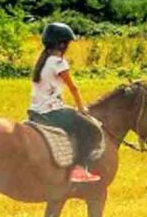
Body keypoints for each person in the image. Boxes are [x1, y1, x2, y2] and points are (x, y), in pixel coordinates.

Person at [29, 22, 103, 183]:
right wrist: (81, 108)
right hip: (51, 112)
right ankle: (79, 168)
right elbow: (73, 87)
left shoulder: (43, 61)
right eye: (68, 43)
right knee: (90, 128)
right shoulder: (58, 62)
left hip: (36, 111)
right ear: (62, 44)